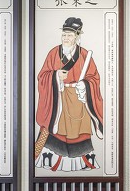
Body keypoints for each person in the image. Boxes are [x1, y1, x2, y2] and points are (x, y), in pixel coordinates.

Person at [35, 17, 104, 172]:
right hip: (58, 98)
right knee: (58, 129)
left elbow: (94, 78)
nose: (66, 38)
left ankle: (81, 162)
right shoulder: (54, 53)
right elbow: (42, 76)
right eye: (64, 35)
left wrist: (85, 85)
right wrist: (55, 75)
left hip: (79, 99)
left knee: (79, 131)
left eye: (70, 35)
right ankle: (53, 161)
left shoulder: (84, 54)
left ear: (77, 36)